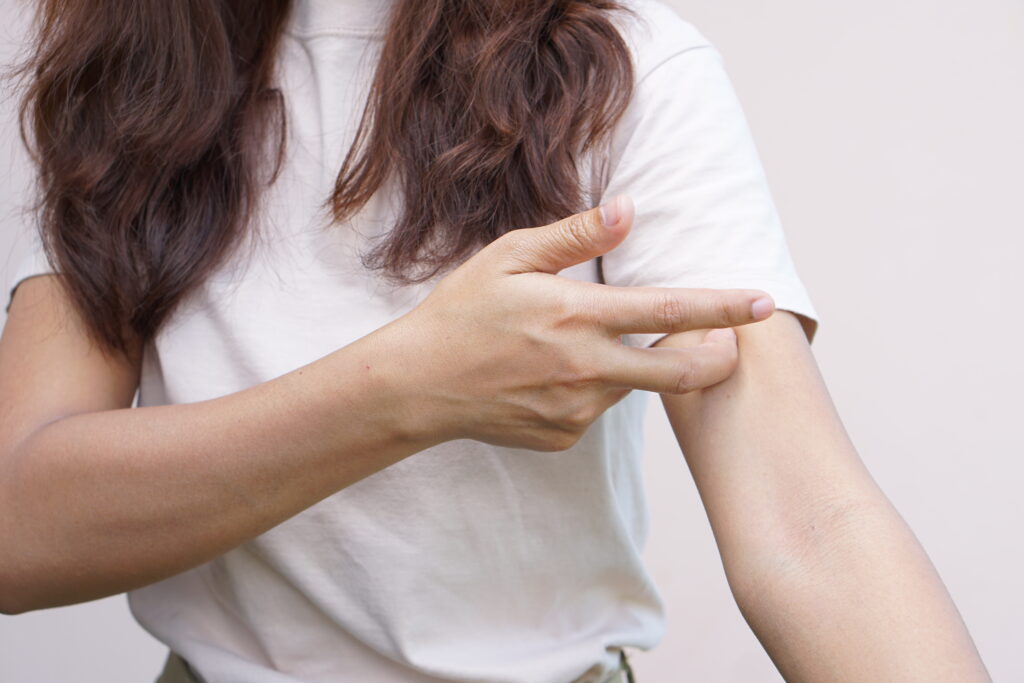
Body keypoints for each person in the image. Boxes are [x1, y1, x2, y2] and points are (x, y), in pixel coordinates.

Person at [0, 0, 990, 682]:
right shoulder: (117, 77)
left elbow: (810, 528)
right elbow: (17, 527)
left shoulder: (626, 63)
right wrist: (408, 388)